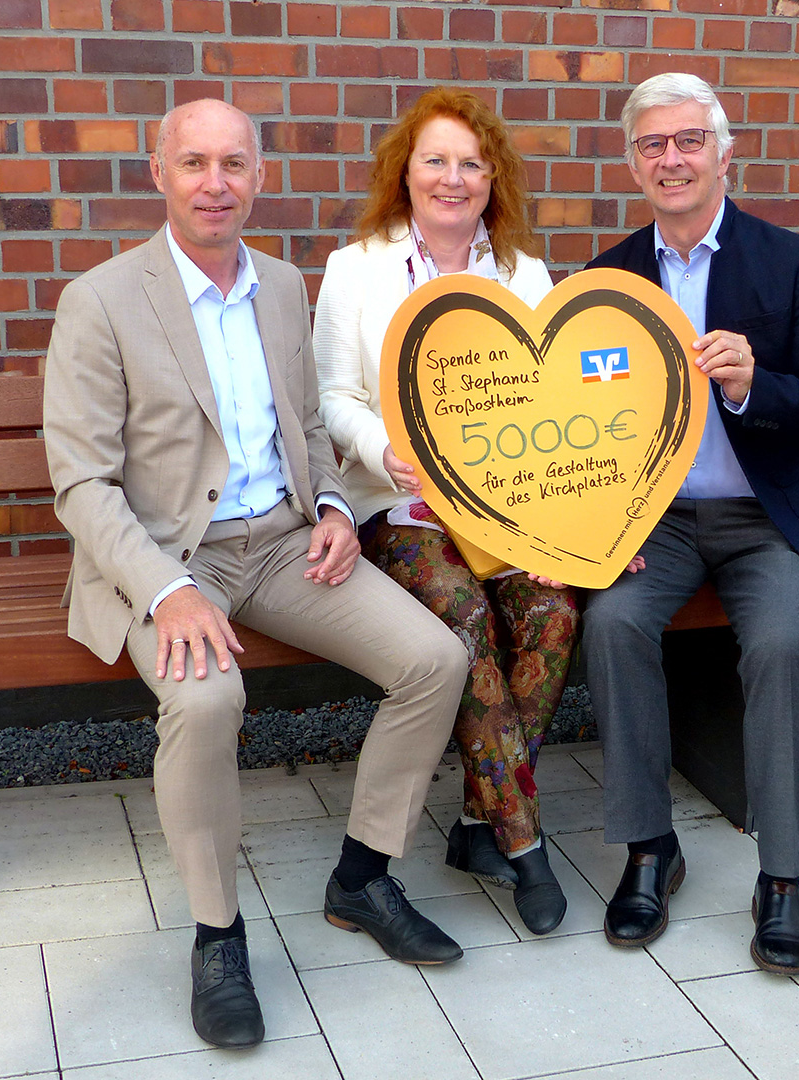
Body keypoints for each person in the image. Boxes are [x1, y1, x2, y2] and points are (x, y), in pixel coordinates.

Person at [43, 98, 471, 1051]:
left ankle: (363, 876)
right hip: (166, 557)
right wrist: (165, 588)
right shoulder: (103, 299)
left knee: (435, 660)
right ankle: (218, 934)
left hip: (282, 541)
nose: (215, 183)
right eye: (194, 163)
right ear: (158, 172)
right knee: (204, 704)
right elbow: (80, 480)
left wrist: (329, 507)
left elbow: (307, 425)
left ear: (259, 175)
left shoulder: (280, 286)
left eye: (234, 164)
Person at [582, 72, 799, 975]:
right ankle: (648, 847)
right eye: (653, 145)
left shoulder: (790, 262)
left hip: (761, 517)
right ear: (633, 162)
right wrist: (600, 533)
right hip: (654, 523)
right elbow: (586, 430)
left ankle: (781, 876)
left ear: (723, 151)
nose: (672, 159)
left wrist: (751, 385)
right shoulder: (607, 278)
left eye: (689, 140)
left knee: (782, 646)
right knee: (614, 624)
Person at [312, 88, 577, 936]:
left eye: (471, 162)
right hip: (403, 506)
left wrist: (556, 525)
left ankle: (476, 823)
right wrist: (378, 447)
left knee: (552, 611)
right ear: (406, 170)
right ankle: (523, 843)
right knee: (463, 620)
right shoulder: (357, 266)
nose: (452, 178)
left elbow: (549, 405)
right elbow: (331, 394)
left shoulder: (524, 275)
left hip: (505, 511)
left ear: (492, 176)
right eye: (435, 160)